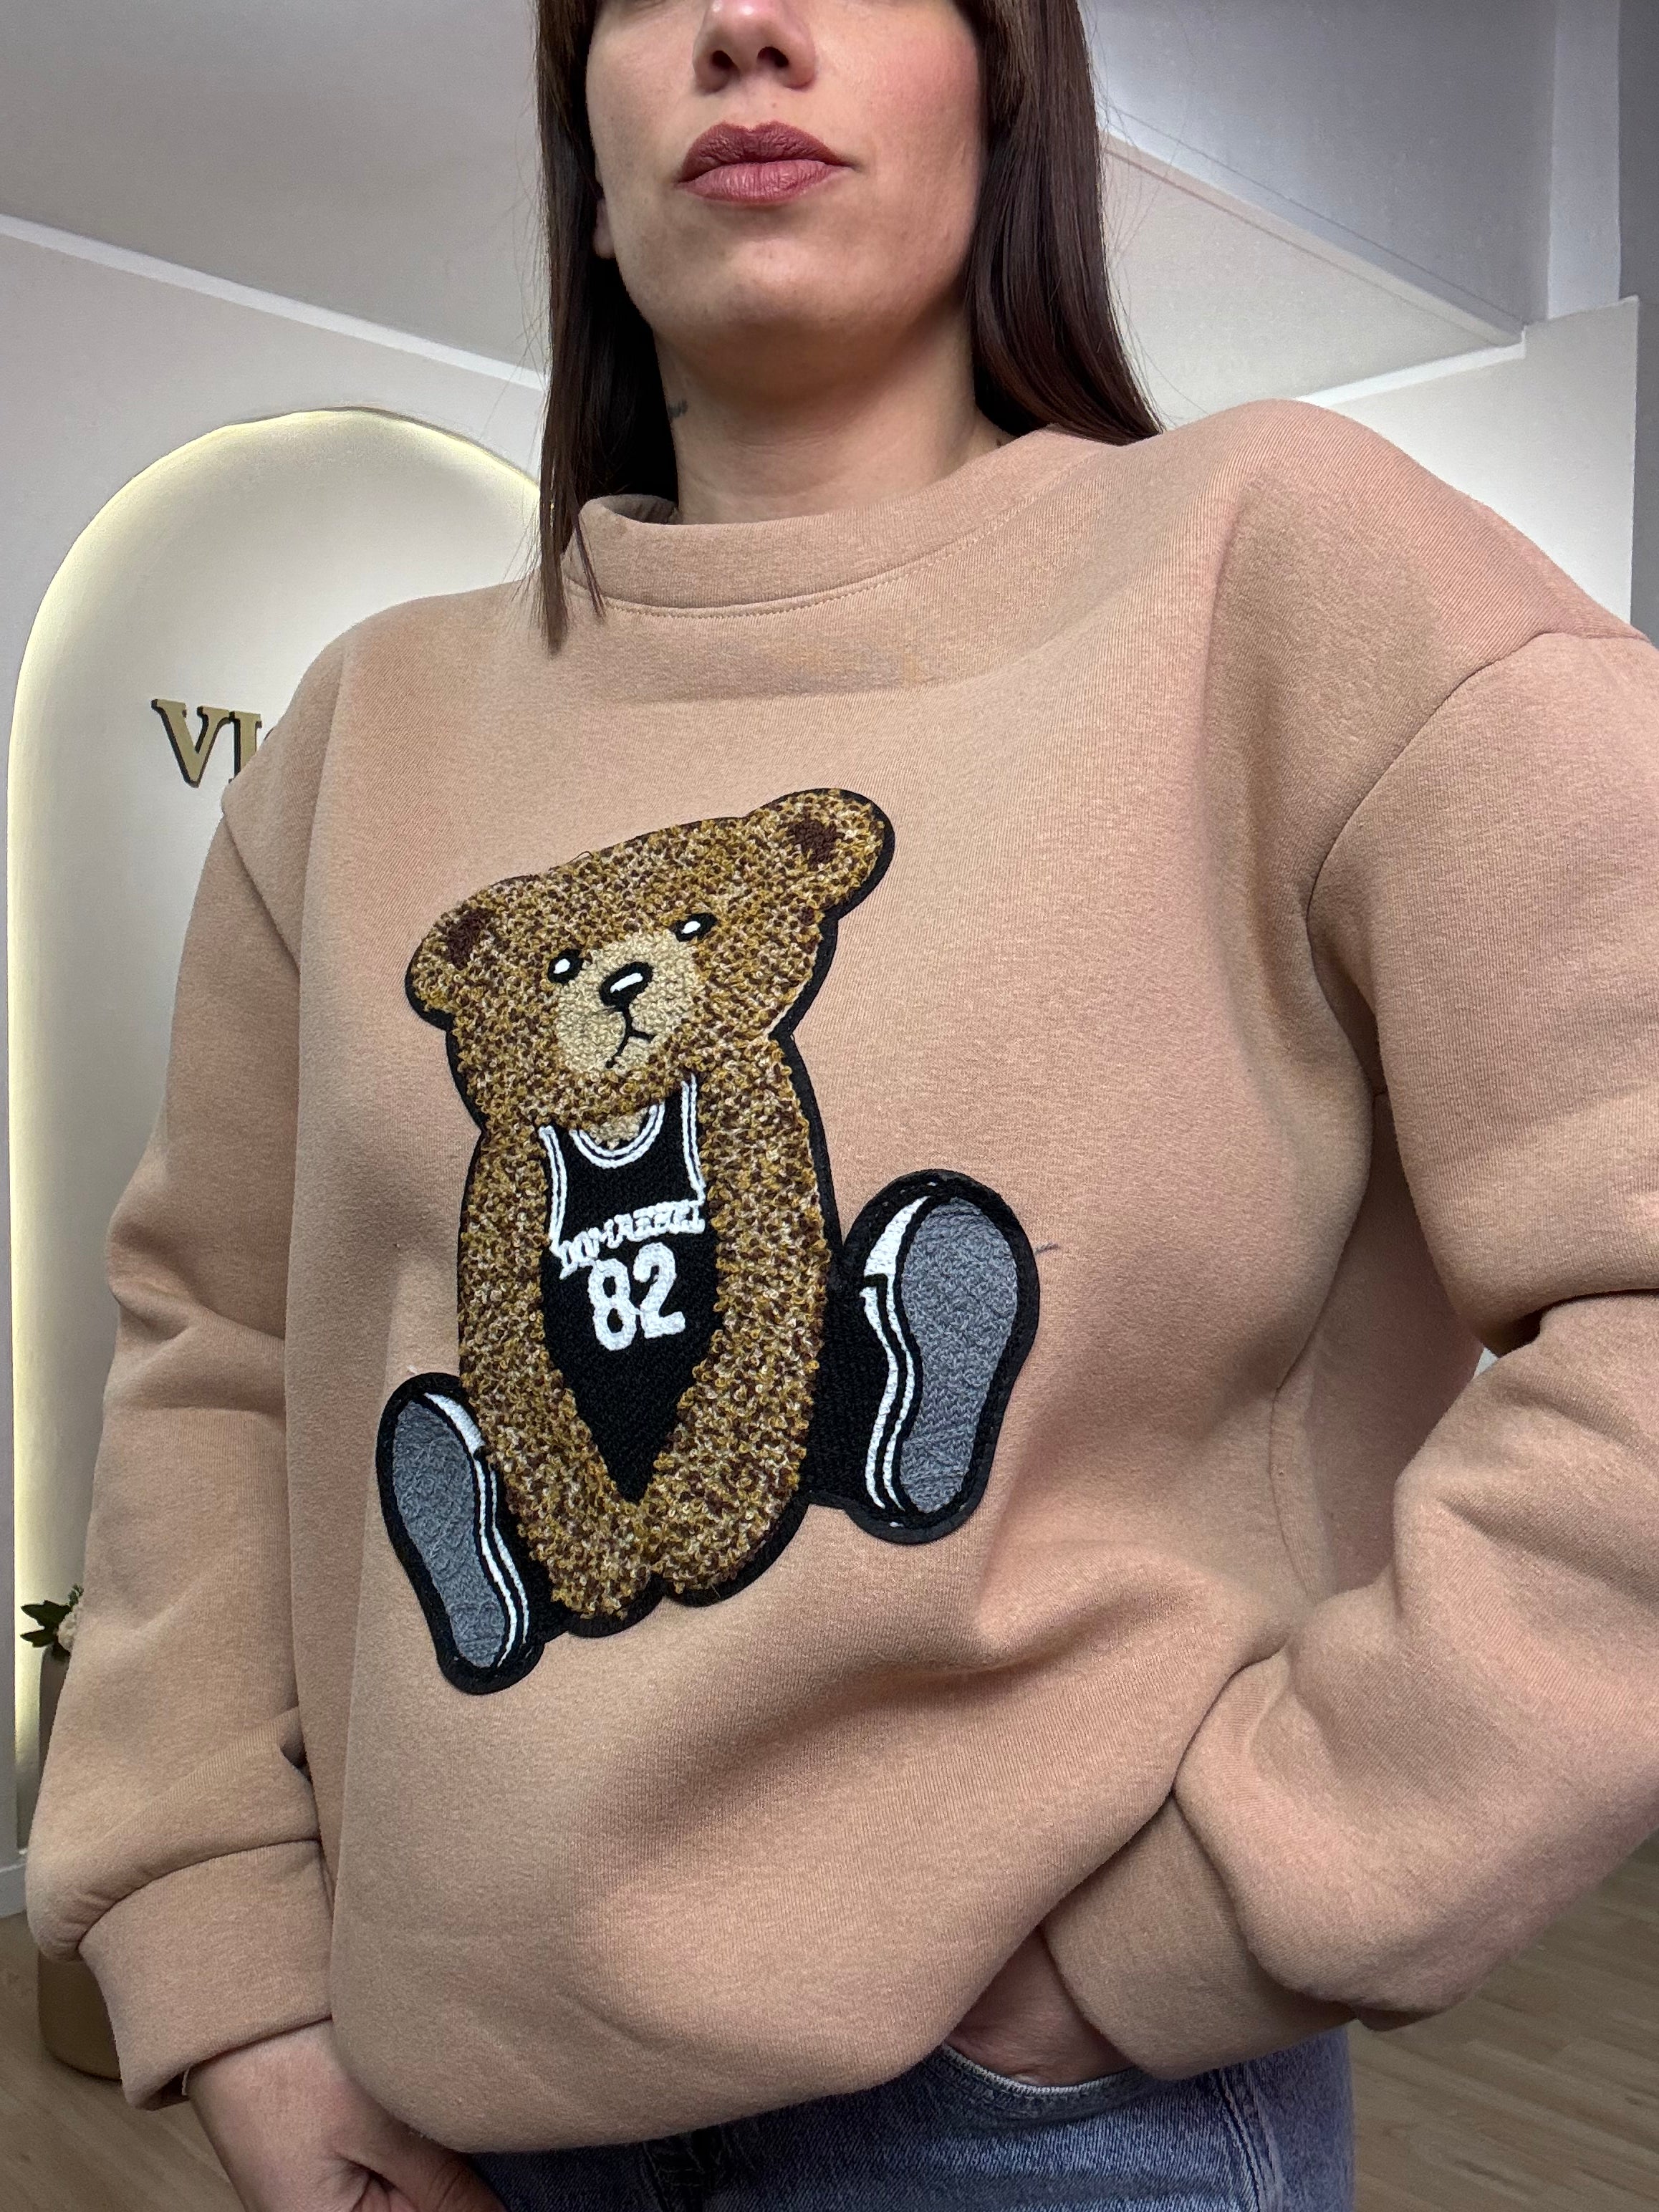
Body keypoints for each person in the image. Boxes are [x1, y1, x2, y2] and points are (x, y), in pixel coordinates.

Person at [24, 0, 1659, 2202]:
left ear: (1006, 82)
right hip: (450, 2094)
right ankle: (528, 1540)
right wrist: (227, 1969)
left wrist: (1243, 1894)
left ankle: (869, 1392)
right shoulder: (363, 730)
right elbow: (221, 1361)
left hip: (1050, 2117)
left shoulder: (1286, 564)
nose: (744, 27)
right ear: (581, 148)